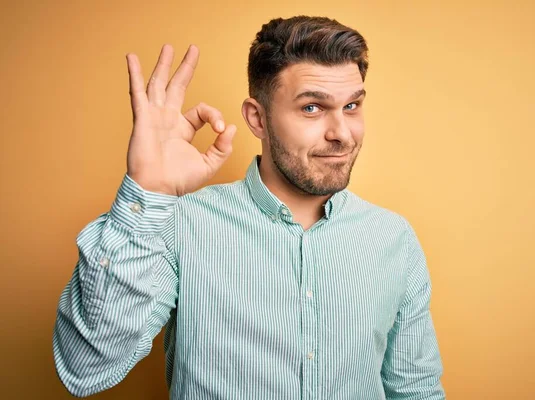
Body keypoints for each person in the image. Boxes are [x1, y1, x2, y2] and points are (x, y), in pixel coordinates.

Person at [53, 15, 445, 399]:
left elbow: (416, 390)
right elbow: (86, 369)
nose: (341, 134)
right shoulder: (182, 225)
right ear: (257, 118)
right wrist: (147, 191)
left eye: (352, 106)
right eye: (312, 108)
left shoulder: (393, 238)